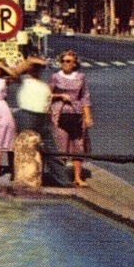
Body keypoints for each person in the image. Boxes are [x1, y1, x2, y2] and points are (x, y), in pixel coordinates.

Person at [10, 55, 72, 186]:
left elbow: (46, 98)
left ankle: (64, 182)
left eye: (39, 68)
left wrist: (58, 98)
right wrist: (33, 61)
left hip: (44, 118)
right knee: (26, 148)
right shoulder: (24, 79)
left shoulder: (42, 84)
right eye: (35, 67)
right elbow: (15, 72)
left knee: (52, 150)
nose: (37, 69)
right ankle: (25, 180)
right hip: (27, 116)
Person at [49, 49, 94, 187]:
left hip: (77, 113)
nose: (64, 63)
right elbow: (48, 95)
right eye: (62, 61)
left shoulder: (81, 77)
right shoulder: (55, 77)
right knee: (61, 144)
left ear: (74, 63)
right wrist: (60, 96)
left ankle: (77, 177)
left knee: (78, 145)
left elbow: (85, 96)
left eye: (68, 61)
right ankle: (61, 177)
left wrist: (88, 116)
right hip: (60, 113)